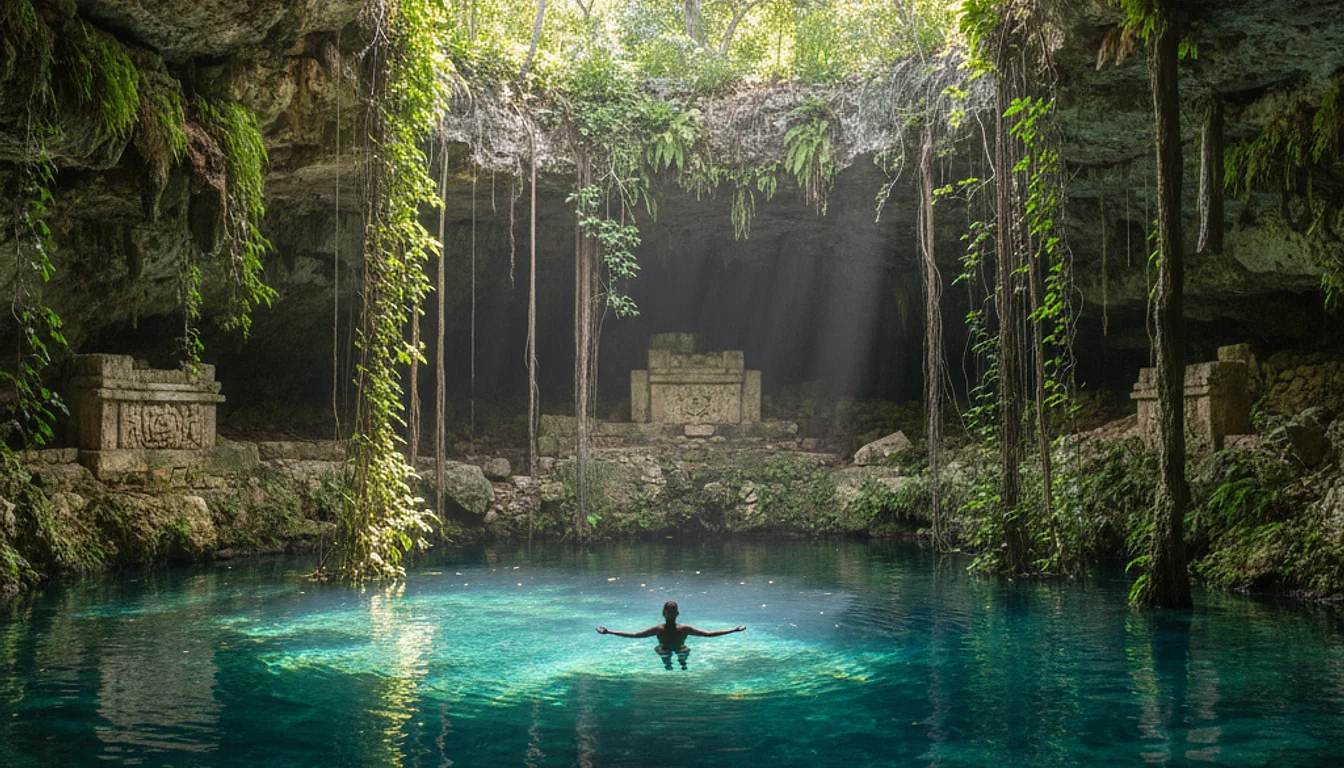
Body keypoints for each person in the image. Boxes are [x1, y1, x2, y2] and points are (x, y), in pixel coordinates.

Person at [596, 600, 746, 669]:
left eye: (671, 613)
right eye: (671, 613)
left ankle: (676, 664)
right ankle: (677, 664)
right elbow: (635, 635)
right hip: (672, 649)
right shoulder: (668, 629)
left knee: (672, 651)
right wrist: (609, 631)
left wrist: (733, 630)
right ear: (673, 614)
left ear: (666, 613)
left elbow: (708, 634)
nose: (671, 615)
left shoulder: (672, 629)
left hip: (671, 649)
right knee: (673, 651)